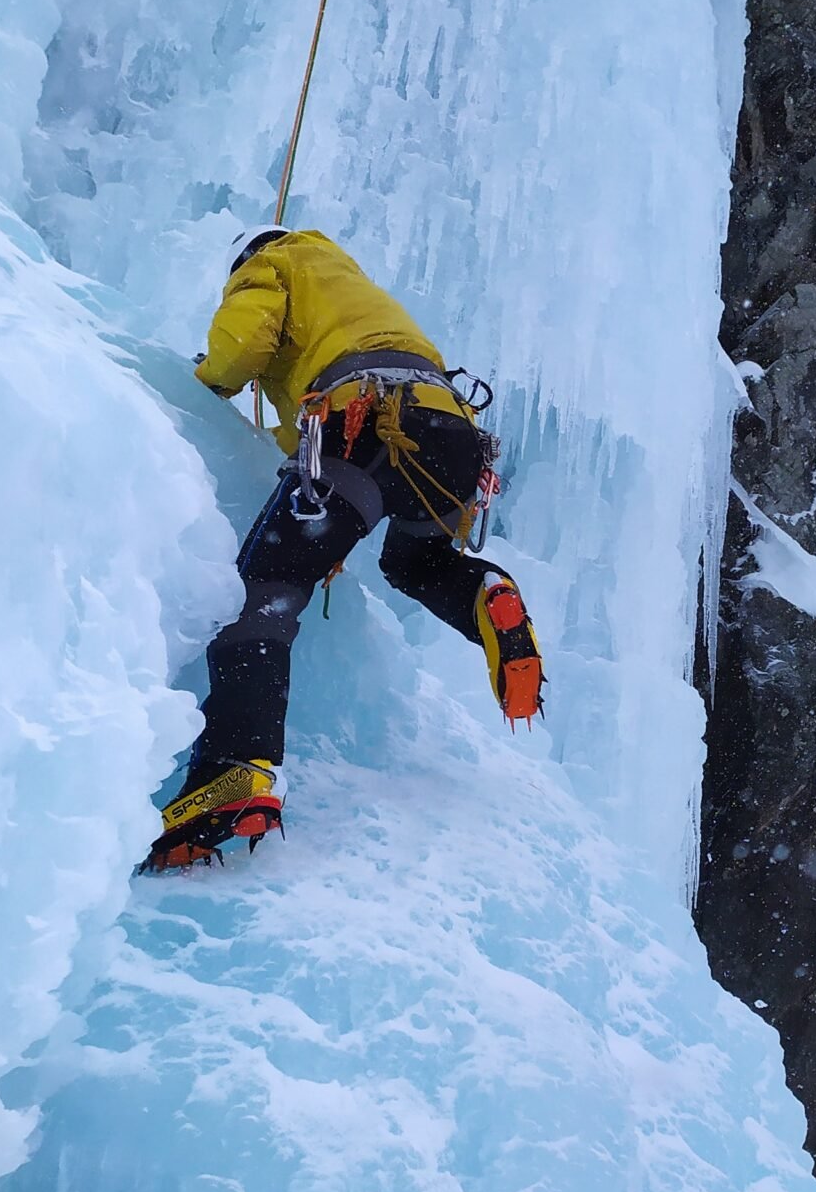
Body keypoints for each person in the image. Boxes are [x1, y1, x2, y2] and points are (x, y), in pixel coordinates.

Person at [144, 225, 543, 871]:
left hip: (367, 422)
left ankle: (236, 765)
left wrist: (206, 381)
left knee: (264, 590)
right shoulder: (352, 284)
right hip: (452, 436)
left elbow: (243, 339)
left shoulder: (273, 262)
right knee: (416, 562)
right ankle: (486, 594)